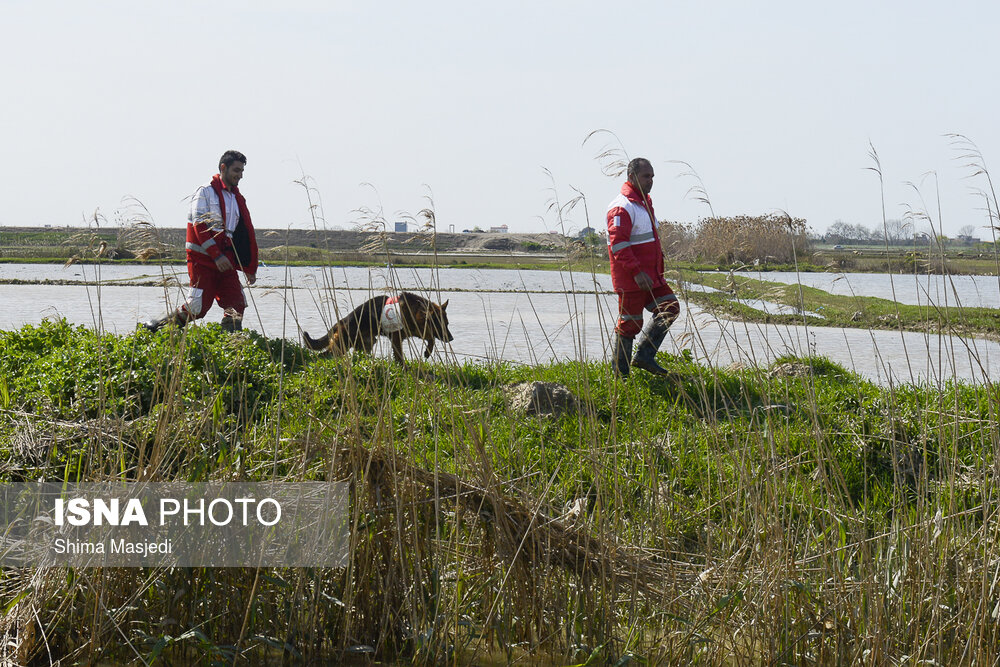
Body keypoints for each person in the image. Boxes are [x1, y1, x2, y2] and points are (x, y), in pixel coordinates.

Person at [143, 150, 258, 332]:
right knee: (197, 307)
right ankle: (155, 328)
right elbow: (199, 226)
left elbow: (244, 234)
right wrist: (215, 255)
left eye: (242, 171)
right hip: (203, 259)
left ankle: (230, 345)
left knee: (237, 303)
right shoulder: (205, 192)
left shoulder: (237, 199)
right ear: (223, 168)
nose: (240, 175)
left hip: (226, 260)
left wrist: (249, 268)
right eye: (237, 170)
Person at [606, 157, 680, 377]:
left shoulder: (644, 203)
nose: (651, 181)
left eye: (652, 177)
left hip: (653, 277)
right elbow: (619, 245)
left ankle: (644, 357)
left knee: (670, 308)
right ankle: (620, 375)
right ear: (631, 177)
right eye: (646, 176)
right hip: (633, 279)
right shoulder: (621, 207)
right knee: (629, 324)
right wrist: (636, 272)